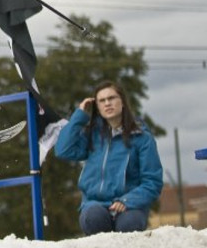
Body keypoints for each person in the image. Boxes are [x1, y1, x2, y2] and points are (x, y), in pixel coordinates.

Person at [54, 80, 163, 235]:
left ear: (123, 102)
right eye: (102, 100)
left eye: (111, 98)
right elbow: (63, 150)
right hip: (95, 205)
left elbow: (152, 182)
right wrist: (80, 115)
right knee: (93, 218)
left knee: (128, 224)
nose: (107, 103)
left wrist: (127, 201)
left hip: (130, 207)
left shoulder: (142, 138)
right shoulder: (92, 135)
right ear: (97, 106)